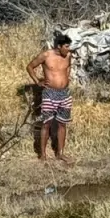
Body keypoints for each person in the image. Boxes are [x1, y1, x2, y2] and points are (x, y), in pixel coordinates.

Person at [27, 33, 74, 162]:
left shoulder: (68, 56)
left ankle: (60, 153)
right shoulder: (46, 55)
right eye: (66, 46)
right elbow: (30, 66)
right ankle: (43, 155)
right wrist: (38, 82)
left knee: (62, 124)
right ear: (59, 46)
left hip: (64, 93)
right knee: (46, 123)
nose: (69, 49)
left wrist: (67, 78)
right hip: (49, 93)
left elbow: (68, 67)